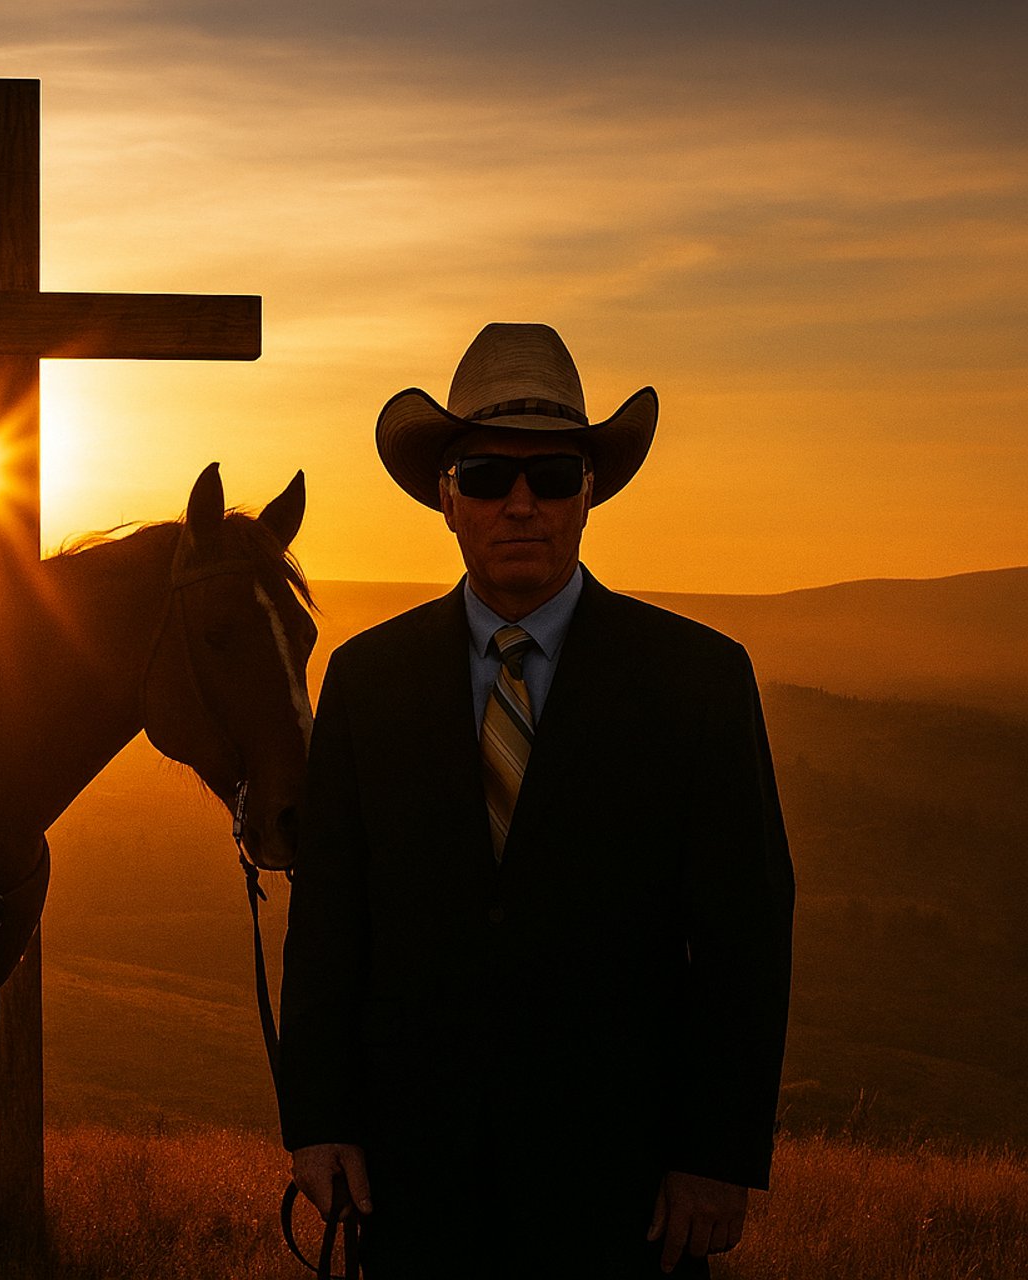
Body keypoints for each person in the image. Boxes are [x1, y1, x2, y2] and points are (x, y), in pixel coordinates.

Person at [278, 323, 794, 1277]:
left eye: (553, 476)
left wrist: (715, 1157)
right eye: (485, 476)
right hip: (413, 1182)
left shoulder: (700, 682)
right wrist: (318, 1122)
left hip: (624, 1194)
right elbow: (328, 923)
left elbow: (744, 936)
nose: (521, 504)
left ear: (589, 493)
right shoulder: (366, 679)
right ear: (445, 496)